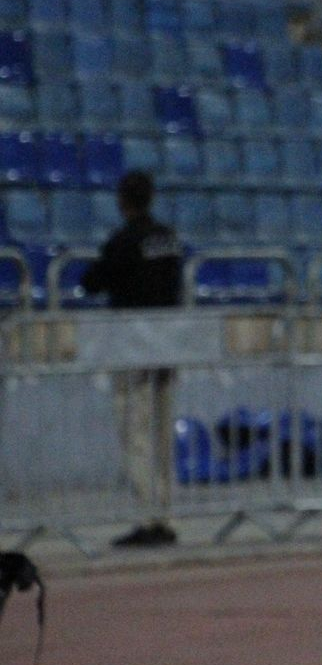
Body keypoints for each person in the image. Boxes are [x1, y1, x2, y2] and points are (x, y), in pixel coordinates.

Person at [82, 170, 184, 548]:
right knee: (163, 437)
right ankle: (167, 516)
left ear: (122, 201)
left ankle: (147, 518)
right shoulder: (168, 239)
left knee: (136, 435)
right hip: (167, 349)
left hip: (133, 351)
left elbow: (92, 282)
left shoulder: (123, 241)